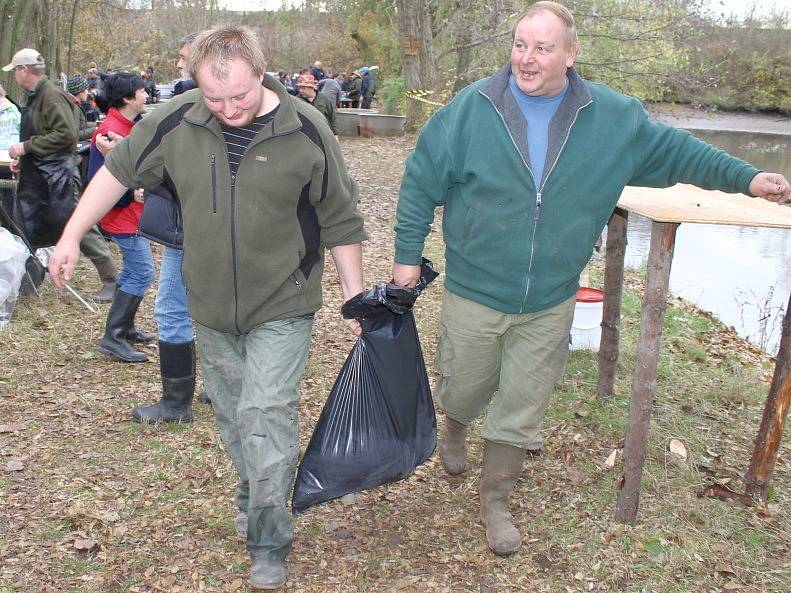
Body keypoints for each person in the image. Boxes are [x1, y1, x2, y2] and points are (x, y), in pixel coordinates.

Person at [391, 1, 791, 558]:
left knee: (524, 402)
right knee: (463, 385)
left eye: (542, 48)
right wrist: (406, 256)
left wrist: (748, 178)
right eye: (519, 45)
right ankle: (455, 425)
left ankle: (495, 499)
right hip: (475, 291)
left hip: (551, 295)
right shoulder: (470, 109)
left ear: (571, 55)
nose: (526, 60)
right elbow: (419, 181)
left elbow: (679, 151)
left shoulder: (612, 117)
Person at [49, 25, 366, 589]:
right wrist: (73, 234)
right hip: (211, 300)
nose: (227, 109)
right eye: (214, 98)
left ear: (260, 71)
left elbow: (340, 217)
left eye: (239, 96)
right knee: (233, 412)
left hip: (284, 299)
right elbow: (119, 170)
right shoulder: (177, 119)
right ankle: (253, 489)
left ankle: (268, 537)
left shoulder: (308, 128)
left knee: (265, 412)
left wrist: (352, 296)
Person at [4, 48, 118, 301]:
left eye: (16, 71)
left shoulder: (52, 96)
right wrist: (26, 160)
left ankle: (111, 279)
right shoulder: (35, 96)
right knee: (27, 225)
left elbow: (66, 136)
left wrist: (26, 147)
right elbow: (44, 134)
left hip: (60, 176)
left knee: (78, 226)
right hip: (38, 174)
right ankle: (27, 281)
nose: (15, 77)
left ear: (24, 70)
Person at [131, 30, 201, 423]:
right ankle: (223, 387)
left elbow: (184, 177)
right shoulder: (222, 108)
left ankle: (176, 404)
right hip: (195, 227)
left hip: (185, 229)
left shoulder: (188, 110)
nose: (177, 63)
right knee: (209, 305)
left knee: (172, 309)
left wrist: (144, 176)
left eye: (183, 56)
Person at [86, 72, 155, 362]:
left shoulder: (131, 125)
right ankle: (112, 337)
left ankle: (125, 328)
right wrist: (131, 195)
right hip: (121, 217)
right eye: (142, 91)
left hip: (133, 215)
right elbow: (97, 179)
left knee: (131, 272)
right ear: (128, 97)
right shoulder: (109, 130)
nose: (147, 95)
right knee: (143, 272)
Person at [0, 82, 21, 216]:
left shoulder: (11, 109)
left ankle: (9, 223)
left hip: (8, 154)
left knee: (7, 189)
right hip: (7, 154)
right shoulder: (12, 107)